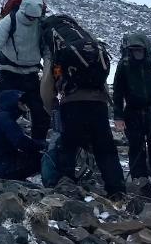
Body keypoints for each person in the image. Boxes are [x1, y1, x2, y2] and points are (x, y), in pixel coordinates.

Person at [39, 17, 126, 198]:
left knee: (68, 145)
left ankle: (66, 186)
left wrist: (51, 107)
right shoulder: (87, 42)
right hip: (98, 104)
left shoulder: (56, 47)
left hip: (72, 103)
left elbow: (47, 84)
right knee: (105, 147)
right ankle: (117, 190)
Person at [113, 32, 151, 198]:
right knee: (136, 150)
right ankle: (142, 185)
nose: (136, 53)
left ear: (145, 49)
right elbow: (118, 92)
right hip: (133, 113)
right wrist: (118, 116)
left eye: (139, 49)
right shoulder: (124, 65)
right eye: (133, 50)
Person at [0, 0, 49, 140]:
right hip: (9, 74)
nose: (31, 19)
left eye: (34, 17)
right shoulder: (9, 21)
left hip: (31, 75)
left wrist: (49, 75)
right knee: (6, 117)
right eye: (29, 17)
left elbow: (47, 51)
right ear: (22, 9)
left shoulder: (41, 24)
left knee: (41, 116)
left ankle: (37, 148)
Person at [0, 89, 47, 180]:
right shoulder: (6, 120)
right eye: (21, 103)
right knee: (43, 159)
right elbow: (21, 142)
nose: (25, 106)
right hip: (4, 167)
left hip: (1, 162)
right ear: (12, 103)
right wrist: (43, 144)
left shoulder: (3, 117)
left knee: (36, 156)